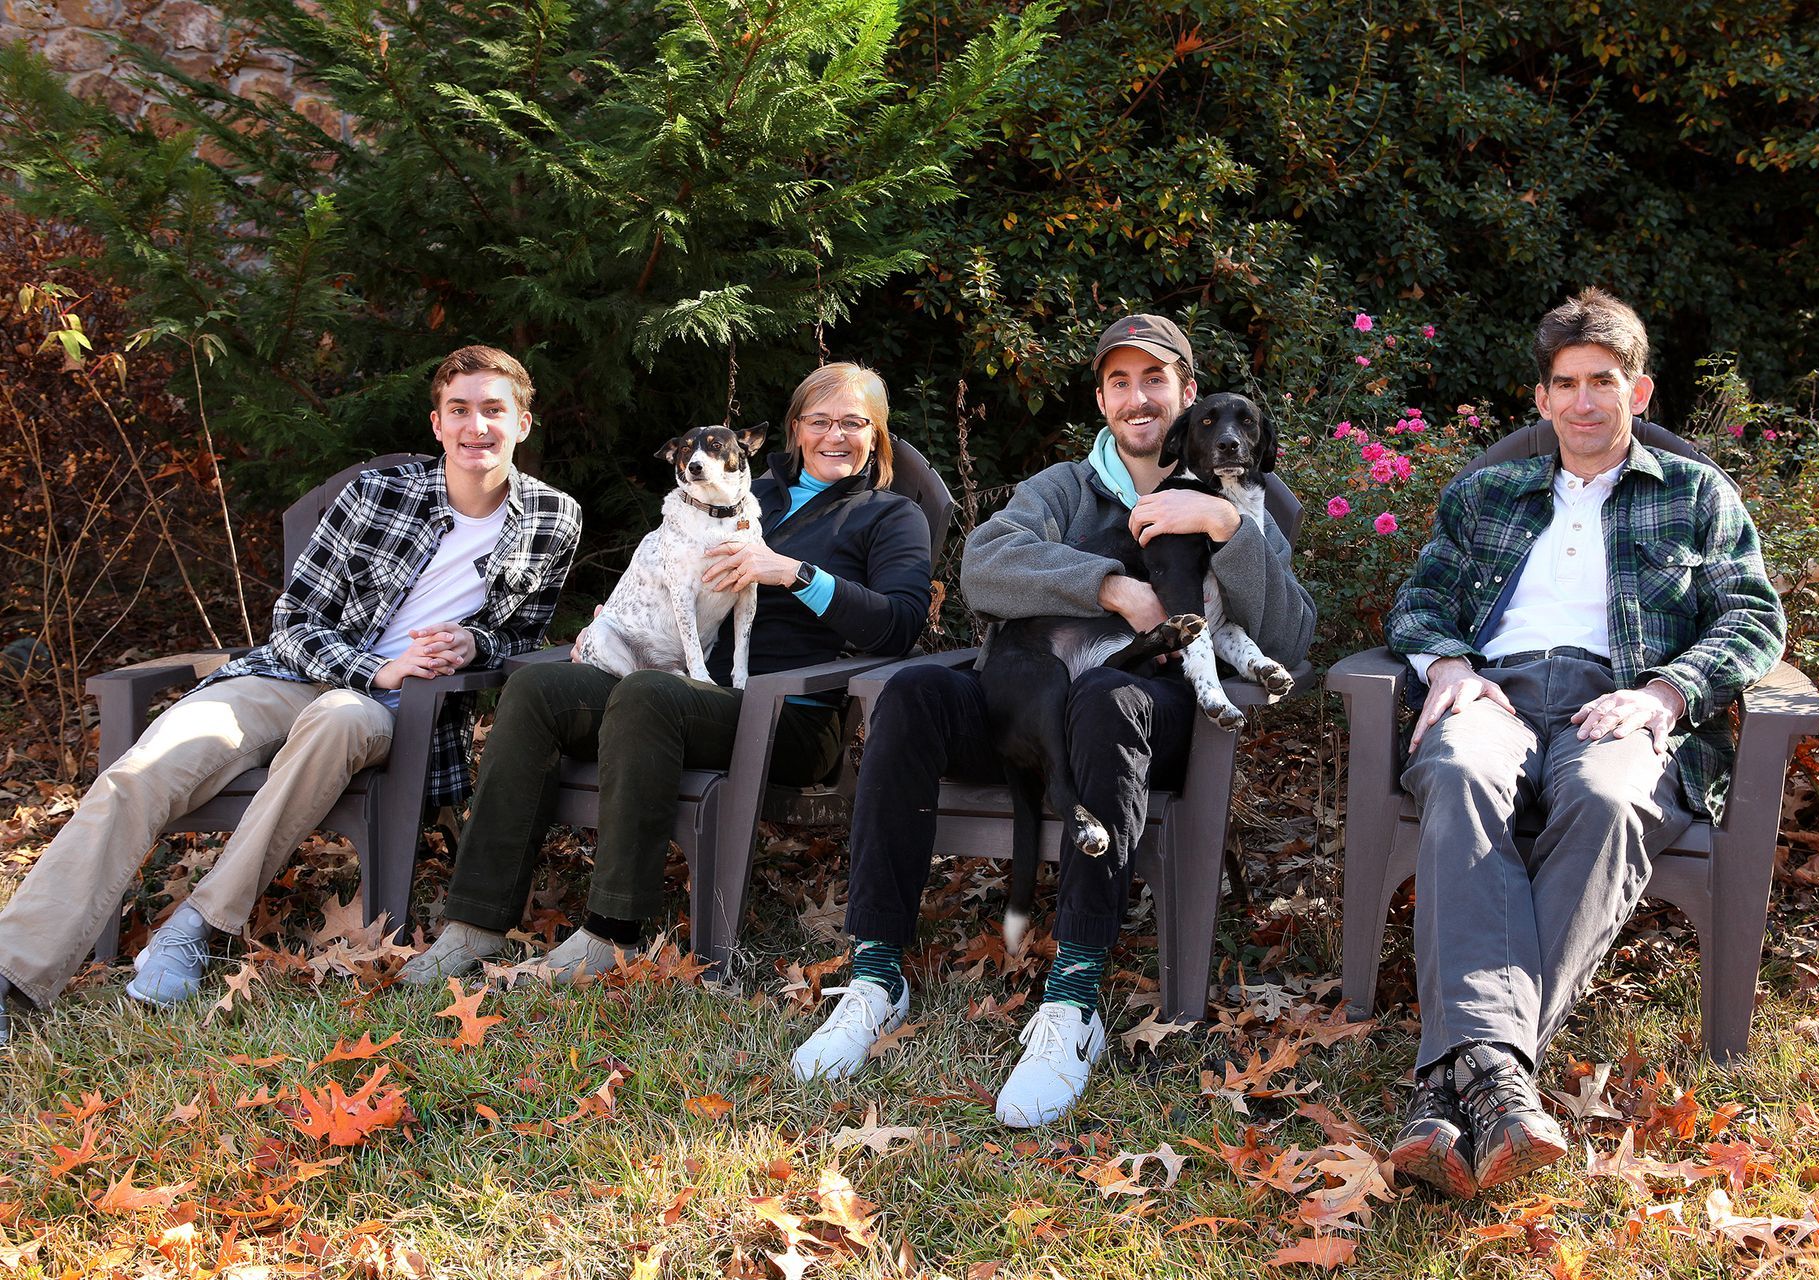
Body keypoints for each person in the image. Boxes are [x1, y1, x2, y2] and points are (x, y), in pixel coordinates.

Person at [789, 314, 1317, 1127]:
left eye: (1154, 380)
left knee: (1107, 700)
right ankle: (875, 975)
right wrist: (1110, 586)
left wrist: (1227, 531)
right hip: (1032, 700)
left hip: (1146, 709)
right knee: (913, 695)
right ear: (1102, 398)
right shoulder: (1064, 487)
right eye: (1118, 382)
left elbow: (1289, 633)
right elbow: (984, 567)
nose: (1137, 398)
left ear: (1186, 393)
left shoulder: (1236, 490)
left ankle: (1071, 1002)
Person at [0, 346, 582, 1043]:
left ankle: (196, 927)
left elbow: (523, 634)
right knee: (137, 776)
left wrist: (473, 646)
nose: (476, 426)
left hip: (388, 712)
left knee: (339, 718)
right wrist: (375, 667)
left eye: (494, 410)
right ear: (436, 423)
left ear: (522, 421)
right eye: (460, 410)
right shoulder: (378, 494)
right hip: (289, 676)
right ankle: (11, 975)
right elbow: (294, 620)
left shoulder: (554, 517)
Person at [1382, 288, 1787, 1198]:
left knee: (1609, 797)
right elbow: (1421, 600)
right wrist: (1446, 663)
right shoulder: (1484, 493)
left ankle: (1458, 1087)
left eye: (1603, 380)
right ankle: (1501, 1083)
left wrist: (1666, 690)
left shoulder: (1693, 493)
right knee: (1456, 765)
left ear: (1638, 392)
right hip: (1499, 690)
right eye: (1565, 383)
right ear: (1542, 399)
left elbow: (1754, 618)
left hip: (1620, 699)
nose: (1584, 401)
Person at [400, 362, 933, 984]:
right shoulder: (736, 490)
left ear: (878, 434)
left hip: (792, 714)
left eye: (853, 423)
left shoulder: (890, 516)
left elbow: (899, 625)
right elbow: (665, 573)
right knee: (539, 689)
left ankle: (611, 930)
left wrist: (792, 572)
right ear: (795, 430)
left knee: (648, 696)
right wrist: (622, 617)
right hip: (683, 681)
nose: (835, 436)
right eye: (819, 421)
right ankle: (476, 919)